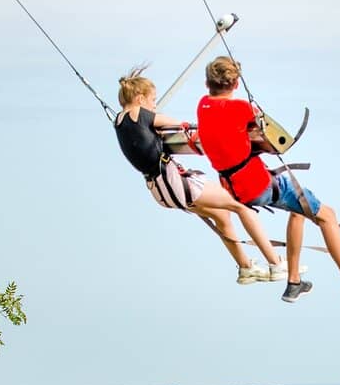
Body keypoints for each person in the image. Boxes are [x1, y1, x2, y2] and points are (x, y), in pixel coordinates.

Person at [196, 57, 340, 310]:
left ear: (207, 83)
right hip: (258, 185)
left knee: (299, 212)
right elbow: (278, 143)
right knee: (327, 216)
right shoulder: (242, 108)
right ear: (236, 83)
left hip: (234, 189)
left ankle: (294, 283)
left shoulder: (203, 105)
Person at [114, 69, 286, 284]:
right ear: (140, 99)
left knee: (222, 217)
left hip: (160, 192)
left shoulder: (119, 120)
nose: (155, 105)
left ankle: (246, 269)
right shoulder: (139, 113)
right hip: (175, 183)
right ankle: (276, 264)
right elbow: (175, 123)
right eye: (153, 100)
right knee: (239, 205)